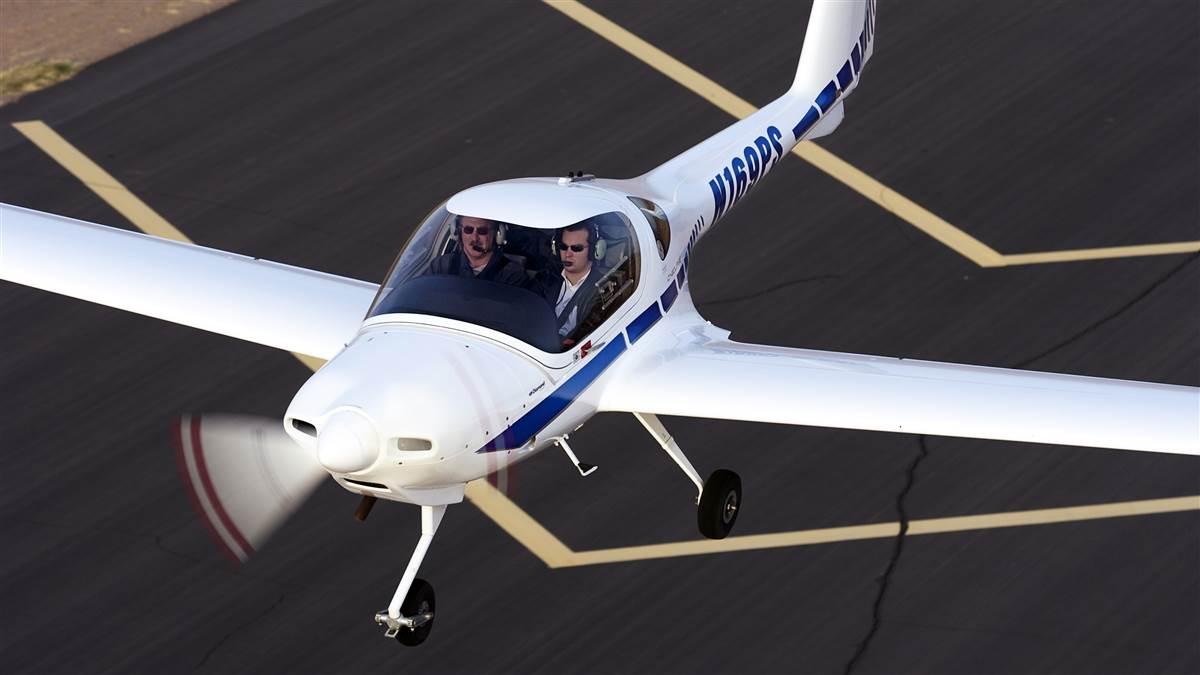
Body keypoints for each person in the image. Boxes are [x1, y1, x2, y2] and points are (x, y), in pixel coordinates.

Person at [534, 221, 606, 346]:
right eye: (563, 247)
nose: (568, 254)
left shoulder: (602, 289)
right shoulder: (545, 278)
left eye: (576, 248)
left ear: (595, 250)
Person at [427, 215, 528, 286]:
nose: (474, 238)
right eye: (468, 230)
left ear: (498, 235)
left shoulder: (513, 275)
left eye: (482, 231)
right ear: (458, 232)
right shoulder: (441, 266)